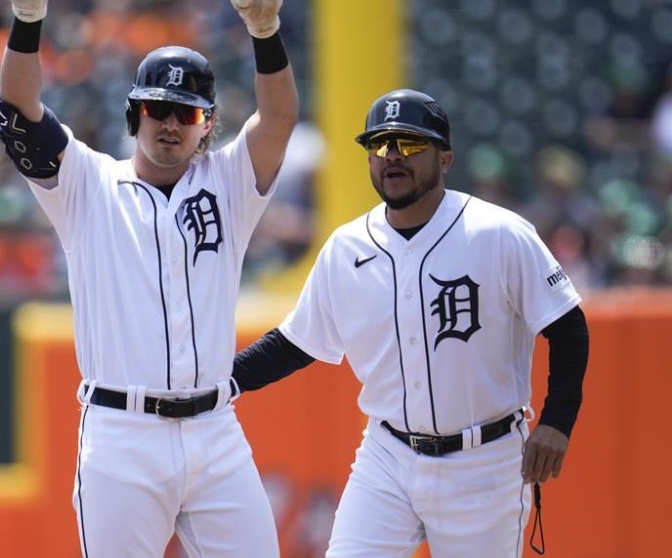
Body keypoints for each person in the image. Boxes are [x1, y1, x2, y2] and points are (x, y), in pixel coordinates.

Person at [0, 0, 299, 557]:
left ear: (207, 124)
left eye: (185, 113)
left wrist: (265, 34)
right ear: (135, 114)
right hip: (120, 432)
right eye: (156, 108)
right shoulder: (86, 184)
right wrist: (27, 21)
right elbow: (20, 106)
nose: (168, 123)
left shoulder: (230, 184)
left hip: (215, 429)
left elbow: (279, 119)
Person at [232, 89, 590, 557]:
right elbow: (295, 344)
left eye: (411, 144)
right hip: (387, 456)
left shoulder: (497, 232)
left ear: (445, 159)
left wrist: (558, 422)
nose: (393, 156)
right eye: (380, 145)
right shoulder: (347, 247)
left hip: (484, 460)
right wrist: (219, 381)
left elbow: (567, 325)